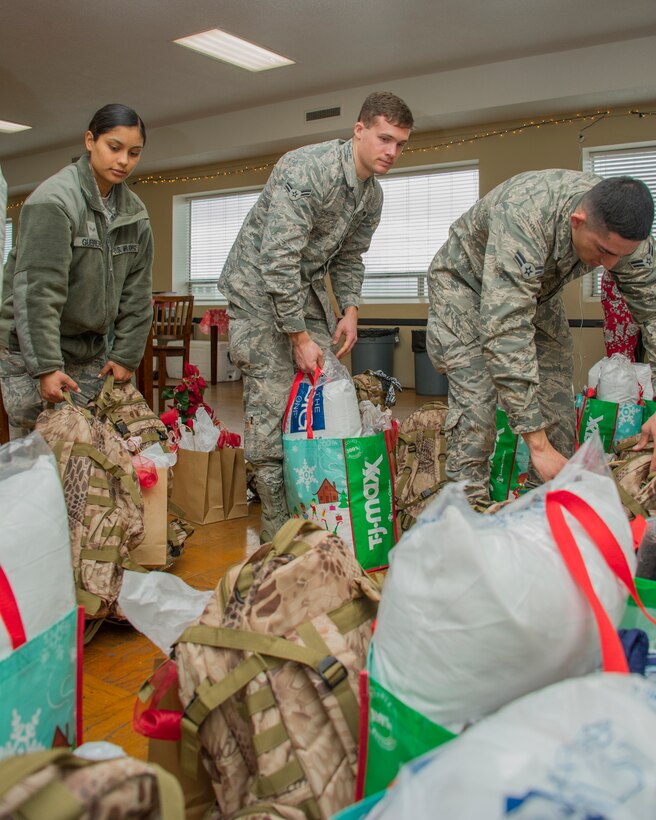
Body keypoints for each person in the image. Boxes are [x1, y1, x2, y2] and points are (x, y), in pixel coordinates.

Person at [219, 91, 414, 541]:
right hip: (256, 289)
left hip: (300, 289)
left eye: (401, 144)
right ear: (359, 130)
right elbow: (277, 260)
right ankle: (275, 527)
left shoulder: (372, 196)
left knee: (332, 387)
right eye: (385, 138)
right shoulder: (307, 170)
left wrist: (349, 310)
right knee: (270, 400)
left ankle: (320, 501)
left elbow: (349, 258)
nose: (392, 152)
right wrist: (298, 336)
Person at [426, 170, 655, 505]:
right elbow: (505, 329)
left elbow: (653, 313)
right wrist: (537, 444)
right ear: (578, 221)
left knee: (556, 399)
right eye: (604, 252)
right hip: (464, 288)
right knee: (477, 406)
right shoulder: (525, 213)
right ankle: (465, 515)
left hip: (534, 292)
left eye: (621, 255)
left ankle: (541, 509)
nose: (611, 265)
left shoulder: (627, 236)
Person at [0, 104, 153, 437]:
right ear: (89, 141)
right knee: (41, 456)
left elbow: (137, 294)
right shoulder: (53, 201)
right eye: (114, 147)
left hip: (88, 347)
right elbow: (38, 294)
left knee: (94, 451)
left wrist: (126, 355)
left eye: (134, 152)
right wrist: (46, 367)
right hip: (31, 351)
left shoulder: (136, 214)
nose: (124, 160)